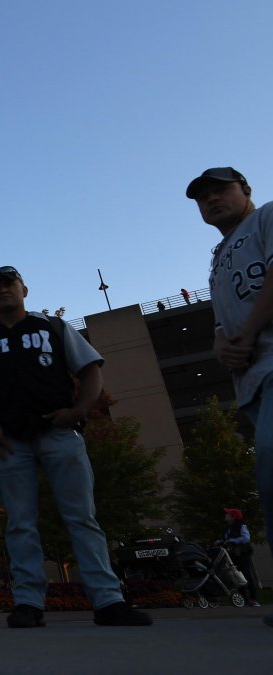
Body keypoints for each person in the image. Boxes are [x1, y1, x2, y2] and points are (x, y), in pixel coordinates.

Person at [0, 267, 151, 628]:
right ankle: (28, 602)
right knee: (20, 524)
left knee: (82, 518)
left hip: (58, 434)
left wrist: (79, 410)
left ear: (24, 288)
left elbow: (90, 369)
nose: (3, 291)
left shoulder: (53, 328)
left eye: (9, 284)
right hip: (10, 441)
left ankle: (108, 601)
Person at [187, 167, 273, 628]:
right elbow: (223, 319)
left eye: (221, 190)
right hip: (253, 378)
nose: (212, 199)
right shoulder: (219, 254)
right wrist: (224, 340)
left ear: (246, 190)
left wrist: (247, 332)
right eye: (202, 197)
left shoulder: (268, 218)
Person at [217, 508, 260, 607]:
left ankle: (254, 599)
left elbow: (246, 538)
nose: (225, 515)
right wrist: (220, 541)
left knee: (246, 574)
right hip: (232, 554)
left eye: (227, 514)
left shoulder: (241, 526)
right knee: (236, 576)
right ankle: (244, 599)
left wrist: (232, 540)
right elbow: (226, 539)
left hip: (242, 553)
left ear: (233, 516)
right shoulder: (227, 528)